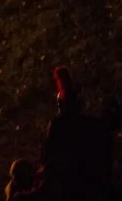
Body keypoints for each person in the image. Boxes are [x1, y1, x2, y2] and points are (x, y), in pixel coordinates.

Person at [38, 67, 116, 200]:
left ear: (61, 106)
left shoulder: (58, 126)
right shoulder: (92, 124)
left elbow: (47, 157)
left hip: (69, 187)